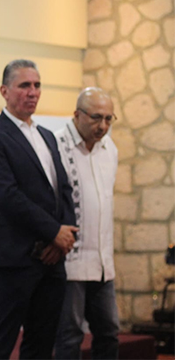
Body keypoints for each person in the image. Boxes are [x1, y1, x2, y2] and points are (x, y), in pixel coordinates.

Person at [0, 59, 77, 360]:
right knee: (2, 341)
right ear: (4, 91)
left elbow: (64, 189)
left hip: (53, 258)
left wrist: (63, 239)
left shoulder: (47, 135)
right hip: (17, 258)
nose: (32, 92)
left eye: (37, 85)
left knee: (42, 342)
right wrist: (53, 232)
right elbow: (6, 195)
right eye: (24, 85)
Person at [54, 88, 120, 359]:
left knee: (109, 332)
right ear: (77, 114)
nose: (102, 126)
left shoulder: (110, 149)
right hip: (71, 262)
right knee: (69, 336)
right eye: (95, 117)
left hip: (103, 263)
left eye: (108, 118)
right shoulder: (56, 145)